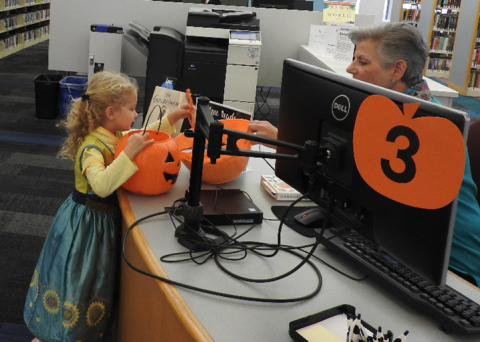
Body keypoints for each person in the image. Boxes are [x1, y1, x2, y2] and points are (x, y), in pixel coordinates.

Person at [248, 22, 480, 287]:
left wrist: (288, 143)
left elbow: (366, 170)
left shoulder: (426, 127)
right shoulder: (384, 108)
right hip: (396, 246)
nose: (350, 68)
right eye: (353, 58)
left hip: (455, 265)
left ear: (397, 69)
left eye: (362, 61)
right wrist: (288, 140)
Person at [24, 71, 191, 342]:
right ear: (111, 112)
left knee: (94, 281)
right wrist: (128, 154)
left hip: (101, 223)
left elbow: (142, 136)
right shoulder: (92, 147)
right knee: (76, 281)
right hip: (85, 227)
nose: (136, 114)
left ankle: (76, 333)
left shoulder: (117, 132)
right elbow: (101, 185)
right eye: (132, 108)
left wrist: (171, 118)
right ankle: (53, 335)